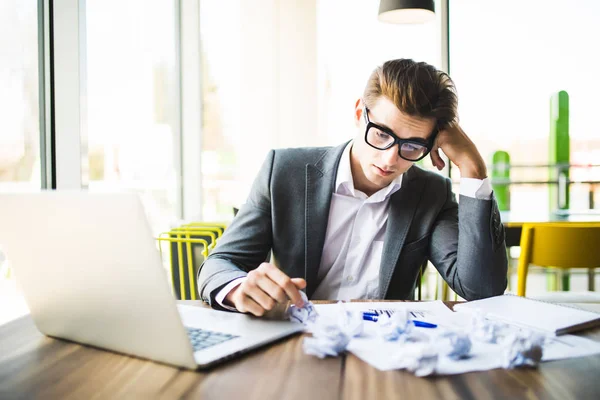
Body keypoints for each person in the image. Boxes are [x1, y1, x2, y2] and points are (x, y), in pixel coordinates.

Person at [198, 59, 507, 316]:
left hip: (386, 351)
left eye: (412, 146)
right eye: (382, 134)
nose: (390, 159)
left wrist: (473, 168)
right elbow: (221, 263)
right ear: (360, 114)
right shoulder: (284, 171)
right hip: (294, 339)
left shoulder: (431, 194)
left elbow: (482, 288)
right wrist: (240, 288)